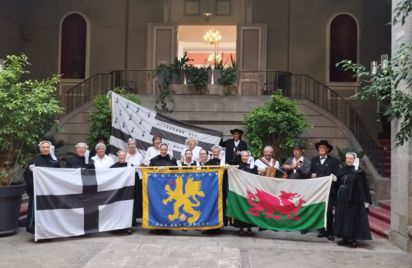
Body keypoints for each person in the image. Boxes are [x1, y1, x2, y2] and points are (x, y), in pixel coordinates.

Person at [334, 152, 372, 248]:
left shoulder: (359, 171)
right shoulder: (343, 169)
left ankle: (352, 238)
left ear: (355, 159)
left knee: (351, 218)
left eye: (350, 159)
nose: (348, 160)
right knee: (342, 217)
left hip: (354, 199)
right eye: (347, 158)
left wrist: (365, 200)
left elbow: (362, 185)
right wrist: (335, 179)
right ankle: (344, 237)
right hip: (342, 197)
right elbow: (339, 179)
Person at [23, 140, 60, 234]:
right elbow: (26, 174)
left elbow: (58, 173)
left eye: (47, 147)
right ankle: (35, 230)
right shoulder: (34, 159)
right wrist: (29, 170)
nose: (45, 149)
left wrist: (55, 161)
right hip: (37, 190)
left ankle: (50, 230)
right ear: (40, 148)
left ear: (50, 148)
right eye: (43, 147)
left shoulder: (54, 160)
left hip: (50, 190)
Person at [309, 139, 339, 240]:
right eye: (320, 148)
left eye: (324, 148)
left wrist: (334, 176)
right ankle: (321, 230)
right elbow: (310, 172)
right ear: (318, 149)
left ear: (327, 150)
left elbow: (338, 173)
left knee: (329, 211)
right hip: (318, 191)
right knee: (320, 210)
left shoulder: (333, 161)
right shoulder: (314, 160)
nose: (322, 149)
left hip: (329, 190)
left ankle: (330, 232)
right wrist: (311, 175)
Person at [234, 151, 257, 236]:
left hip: (250, 192)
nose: (244, 157)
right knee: (241, 209)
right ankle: (241, 228)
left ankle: (249, 228)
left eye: (246, 156)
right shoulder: (238, 166)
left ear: (249, 157)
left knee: (249, 209)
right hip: (240, 191)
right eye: (243, 156)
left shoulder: (254, 167)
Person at [110, 150, 133, 234]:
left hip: (127, 193)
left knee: (126, 210)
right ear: (118, 156)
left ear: (126, 156)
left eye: (123, 155)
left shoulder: (131, 166)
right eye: (120, 155)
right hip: (116, 193)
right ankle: (115, 228)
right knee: (116, 210)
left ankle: (127, 227)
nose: (122, 157)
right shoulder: (112, 167)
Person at [126, 138, 145, 224]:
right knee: (129, 198)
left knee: (137, 199)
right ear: (128, 145)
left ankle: (136, 218)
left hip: (138, 178)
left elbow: (143, 167)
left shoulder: (140, 156)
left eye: (133, 144)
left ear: (135, 145)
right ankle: (129, 219)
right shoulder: (125, 155)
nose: (132, 145)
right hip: (128, 179)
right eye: (130, 144)